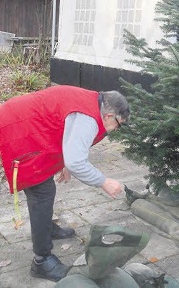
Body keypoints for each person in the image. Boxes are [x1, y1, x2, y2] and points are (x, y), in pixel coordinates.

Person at [0, 85, 130, 282]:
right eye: (119, 125)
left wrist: (65, 164)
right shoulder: (88, 118)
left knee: (46, 190)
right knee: (41, 193)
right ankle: (42, 261)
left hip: (26, 123)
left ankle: (45, 229)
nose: (115, 131)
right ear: (110, 115)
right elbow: (77, 161)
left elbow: (66, 128)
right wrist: (103, 182)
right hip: (20, 129)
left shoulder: (93, 103)